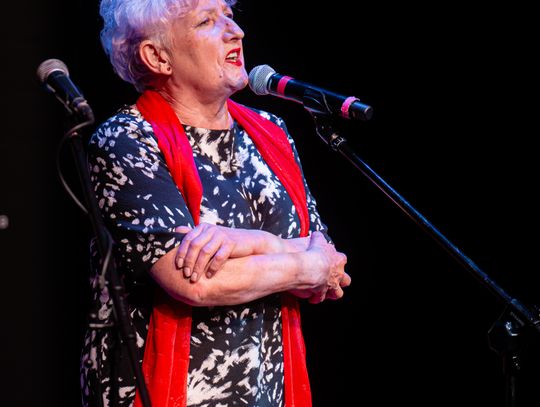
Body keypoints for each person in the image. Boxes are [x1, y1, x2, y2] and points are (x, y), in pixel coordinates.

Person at [80, 0, 351, 406]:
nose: (235, 31)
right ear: (157, 57)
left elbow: (330, 263)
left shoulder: (271, 131)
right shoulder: (126, 140)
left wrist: (252, 242)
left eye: (229, 15)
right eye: (207, 21)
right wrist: (303, 264)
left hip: (266, 391)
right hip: (164, 391)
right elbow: (194, 281)